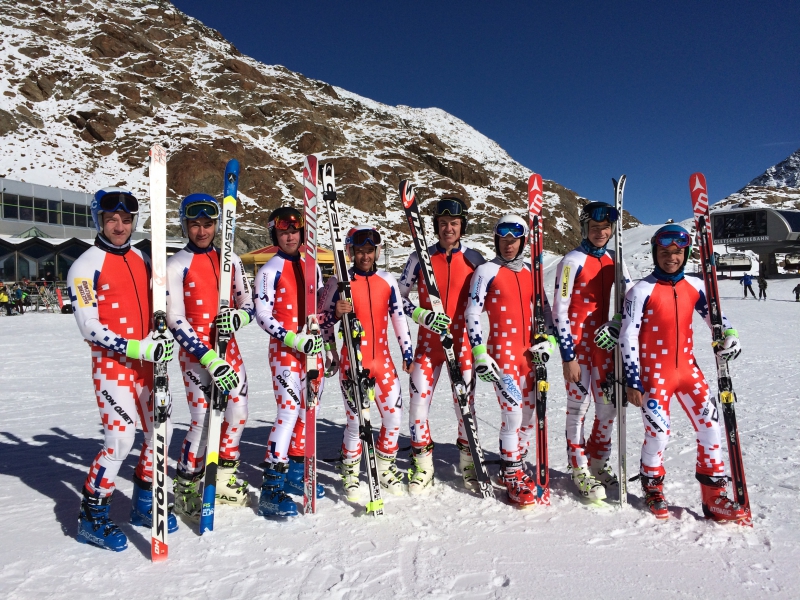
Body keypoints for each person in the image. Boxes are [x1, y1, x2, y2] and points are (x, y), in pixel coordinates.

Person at [66, 187, 178, 551]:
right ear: (98, 220)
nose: (119, 226)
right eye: (112, 219)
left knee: (161, 431)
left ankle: (144, 502)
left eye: (126, 220)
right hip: (112, 364)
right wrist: (136, 347)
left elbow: (161, 305)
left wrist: (162, 332)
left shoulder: (144, 259)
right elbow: (89, 326)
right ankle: (92, 516)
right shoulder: (85, 266)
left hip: (149, 363)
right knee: (120, 440)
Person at [619, 224, 746, 522]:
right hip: (655, 375)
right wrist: (632, 379)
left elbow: (716, 318)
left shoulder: (696, 285)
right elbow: (627, 335)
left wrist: (729, 335)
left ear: (686, 254)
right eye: (664, 252)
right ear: (655, 253)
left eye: (677, 252)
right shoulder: (641, 290)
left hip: (688, 371)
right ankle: (653, 487)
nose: (671, 258)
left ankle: (713, 496)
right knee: (659, 434)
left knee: (711, 428)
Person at [166, 193, 256, 519]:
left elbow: (248, 304)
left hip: (229, 349)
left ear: (218, 225)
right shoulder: (177, 264)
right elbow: (175, 319)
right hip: (197, 356)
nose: (202, 231)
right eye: (195, 224)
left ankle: (224, 479)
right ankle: (187, 487)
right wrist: (209, 359)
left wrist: (238, 318)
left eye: (208, 224)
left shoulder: (230, 260)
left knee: (238, 413)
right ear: (185, 225)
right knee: (202, 421)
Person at [465, 214, 557, 507]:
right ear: (496, 240)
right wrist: (480, 352)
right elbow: (472, 312)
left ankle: (517, 460)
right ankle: (510, 473)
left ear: (523, 241)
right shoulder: (486, 271)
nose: (508, 244)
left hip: (529, 355)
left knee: (531, 415)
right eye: (503, 239)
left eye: (514, 239)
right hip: (502, 353)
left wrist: (550, 342)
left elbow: (546, 311)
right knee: (513, 413)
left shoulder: (531, 272)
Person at [397, 197, 486, 493]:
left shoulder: (474, 259)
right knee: (417, 408)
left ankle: (468, 463)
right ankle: (422, 465)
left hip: (462, 346)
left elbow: (490, 298)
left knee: (465, 408)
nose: (449, 228)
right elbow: (398, 297)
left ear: (462, 227)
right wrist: (421, 315)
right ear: (436, 226)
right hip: (428, 346)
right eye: (443, 223)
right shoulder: (419, 257)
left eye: (454, 223)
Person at [322, 226, 414, 498]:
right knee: (355, 423)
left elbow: (398, 317)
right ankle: (350, 472)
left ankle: (384, 467)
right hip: (353, 362)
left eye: (370, 251)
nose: (365, 256)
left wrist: (407, 351)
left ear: (377, 252)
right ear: (351, 252)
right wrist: (334, 325)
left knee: (393, 417)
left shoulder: (387, 280)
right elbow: (321, 322)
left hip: (382, 361)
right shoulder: (339, 282)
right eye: (360, 251)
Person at [552, 201, 632, 501]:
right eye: (595, 227)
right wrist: (568, 356)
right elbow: (559, 311)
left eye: (606, 228)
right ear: (585, 228)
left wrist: (616, 323)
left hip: (604, 346)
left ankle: (598, 462)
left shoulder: (614, 260)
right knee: (578, 409)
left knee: (609, 408)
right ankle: (579, 468)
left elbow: (630, 300)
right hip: (577, 345)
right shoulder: (571, 261)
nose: (601, 232)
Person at [254, 207, 326, 517]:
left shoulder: (312, 267)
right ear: (275, 235)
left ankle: (297, 473)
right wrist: (293, 338)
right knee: (287, 412)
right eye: (283, 232)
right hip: (285, 350)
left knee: (309, 411)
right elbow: (262, 315)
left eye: (294, 231)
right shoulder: (269, 270)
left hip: (313, 350)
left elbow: (320, 310)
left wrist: (328, 343)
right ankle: (271, 488)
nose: (290, 236)